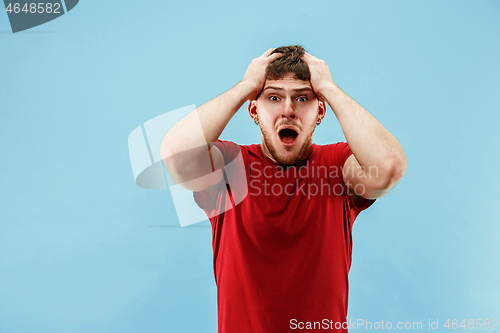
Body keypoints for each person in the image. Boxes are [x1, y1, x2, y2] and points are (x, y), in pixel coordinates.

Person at [161, 46, 407, 332]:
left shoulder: (338, 167)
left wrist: (328, 86)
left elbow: (389, 168)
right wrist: (245, 87)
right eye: (274, 97)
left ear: (320, 111)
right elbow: (175, 155)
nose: (288, 110)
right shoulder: (231, 168)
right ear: (253, 110)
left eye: (302, 98)